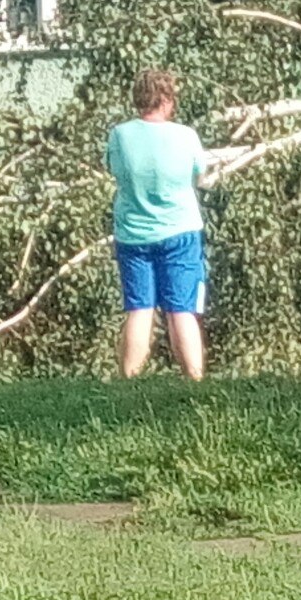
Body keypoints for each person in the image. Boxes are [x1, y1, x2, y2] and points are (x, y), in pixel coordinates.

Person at [105, 67, 208, 380]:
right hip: (181, 233)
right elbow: (200, 177)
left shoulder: (120, 135)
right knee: (181, 309)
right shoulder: (186, 135)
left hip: (133, 234)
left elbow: (114, 170)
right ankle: (194, 380)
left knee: (140, 308)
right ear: (165, 99)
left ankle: (129, 379)